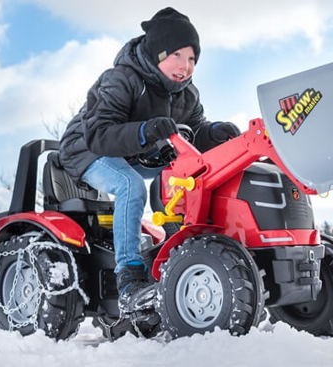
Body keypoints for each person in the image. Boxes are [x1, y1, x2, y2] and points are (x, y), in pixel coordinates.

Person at [59, 7, 240, 315]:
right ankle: (128, 278)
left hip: (133, 151)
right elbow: (100, 133)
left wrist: (214, 132)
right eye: (178, 56)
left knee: (183, 174)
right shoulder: (121, 79)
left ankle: (176, 251)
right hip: (87, 149)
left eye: (193, 59)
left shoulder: (187, 94)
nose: (186, 66)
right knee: (130, 184)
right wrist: (145, 130)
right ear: (159, 53)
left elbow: (194, 131)